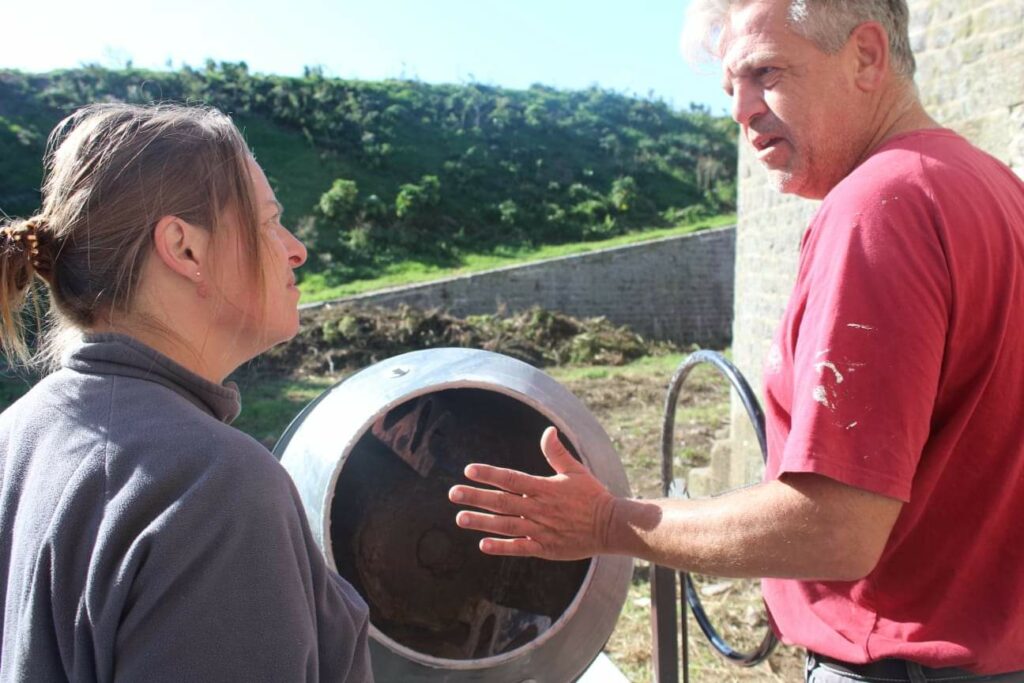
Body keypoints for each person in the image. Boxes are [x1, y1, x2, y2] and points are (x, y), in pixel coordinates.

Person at [449, 0, 1024, 680]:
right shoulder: (994, 189)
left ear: (867, 56)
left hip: (899, 659)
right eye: (731, 87)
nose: (740, 110)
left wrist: (608, 523)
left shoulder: (879, 206)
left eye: (766, 73)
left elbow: (837, 526)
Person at [0, 104, 373, 681]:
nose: (295, 249)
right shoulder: (216, 488)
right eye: (269, 222)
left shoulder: (17, 433)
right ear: (185, 248)